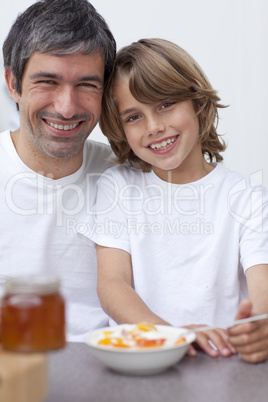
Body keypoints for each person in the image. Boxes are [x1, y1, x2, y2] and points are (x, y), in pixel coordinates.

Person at [82, 38, 268, 362]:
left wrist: (261, 325)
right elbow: (112, 284)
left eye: (165, 104)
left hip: (222, 360)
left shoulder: (246, 196)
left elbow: (262, 283)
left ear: (196, 102)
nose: (154, 126)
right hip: (145, 361)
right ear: (120, 129)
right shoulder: (118, 186)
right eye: (133, 117)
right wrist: (171, 337)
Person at [0, 0, 116, 341]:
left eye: (87, 85)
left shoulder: (128, 178)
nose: (67, 107)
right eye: (47, 82)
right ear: (13, 83)